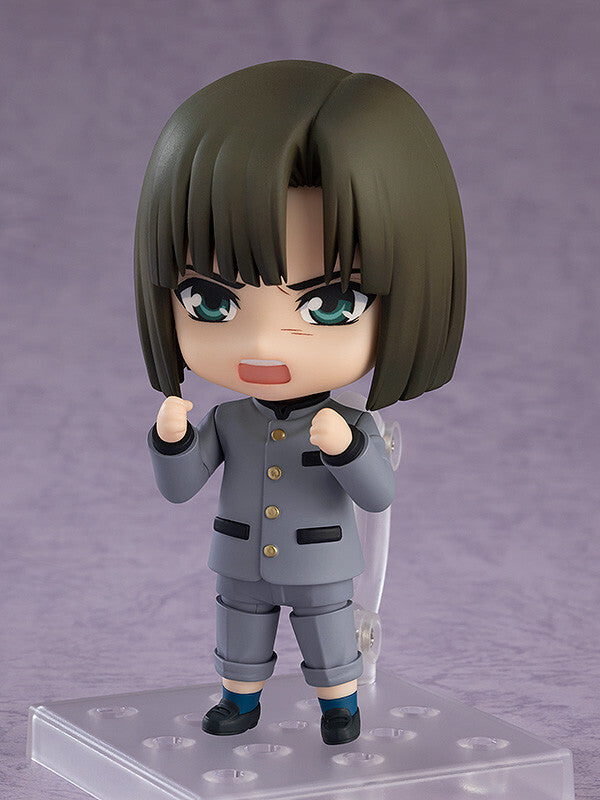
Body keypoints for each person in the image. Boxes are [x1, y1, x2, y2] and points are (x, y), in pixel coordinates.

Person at [134, 60, 466, 745]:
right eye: (210, 300)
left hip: (321, 561)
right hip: (239, 560)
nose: (262, 342)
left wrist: (348, 449)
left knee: (328, 632)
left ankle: (339, 706)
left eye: (331, 304)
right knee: (239, 631)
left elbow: (378, 494)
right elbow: (180, 486)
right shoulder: (229, 419)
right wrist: (171, 439)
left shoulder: (348, 422)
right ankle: (240, 700)